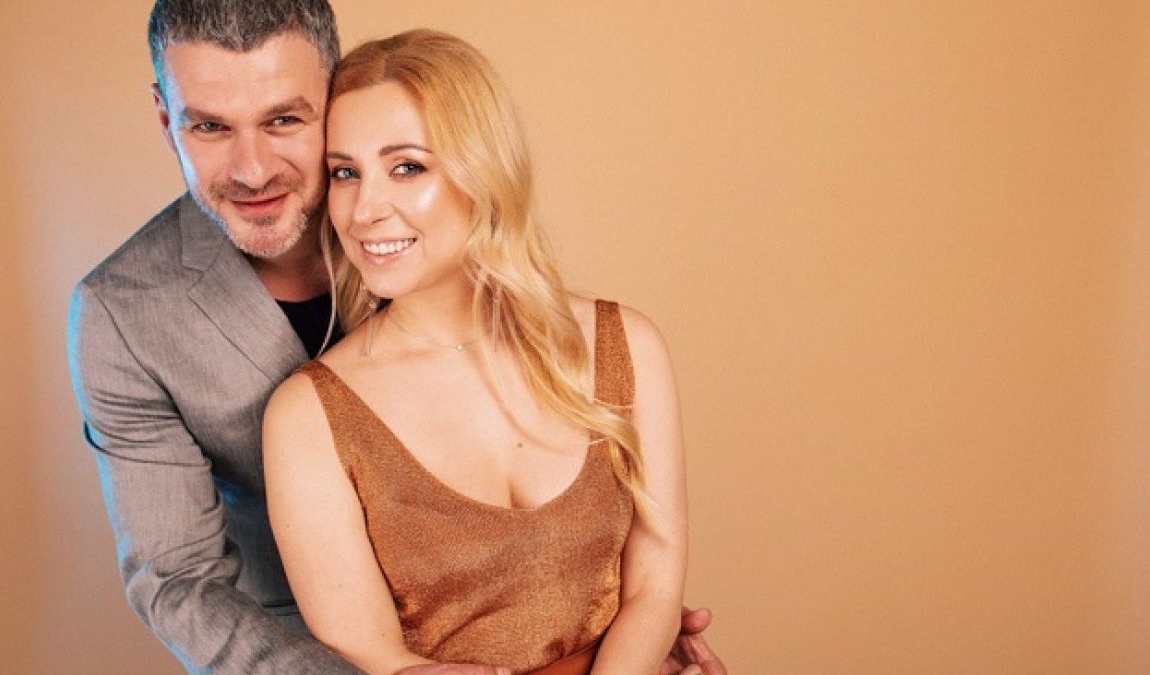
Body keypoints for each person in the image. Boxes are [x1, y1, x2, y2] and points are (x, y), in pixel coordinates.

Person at [67, 0, 724, 672]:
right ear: (166, 118)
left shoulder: (430, 240)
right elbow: (180, 582)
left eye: (284, 120)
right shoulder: (122, 314)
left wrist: (617, 633)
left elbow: (627, 568)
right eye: (209, 125)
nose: (253, 169)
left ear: (332, 97)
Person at [263, 30, 690, 675]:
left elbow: (654, 592)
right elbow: (373, 651)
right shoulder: (307, 416)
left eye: (407, 167)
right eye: (346, 173)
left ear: (483, 171)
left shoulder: (625, 345)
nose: (364, 209)